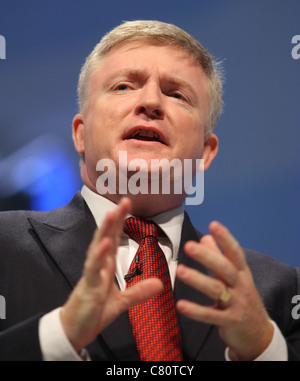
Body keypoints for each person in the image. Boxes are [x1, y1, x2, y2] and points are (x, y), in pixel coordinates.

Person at [0, 20, 299, 361]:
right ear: (81, 134)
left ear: (205, 152)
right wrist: (60, 335)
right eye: (125, 86)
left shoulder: (280, 292)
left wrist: (263, 349)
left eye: (177, 94)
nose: (151, 101)